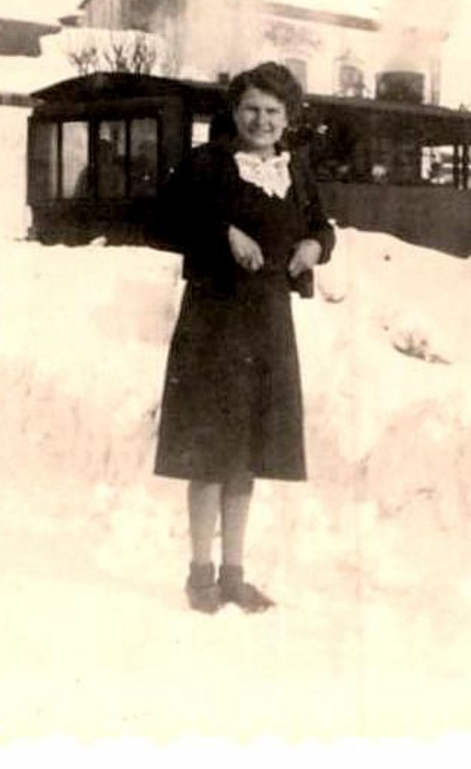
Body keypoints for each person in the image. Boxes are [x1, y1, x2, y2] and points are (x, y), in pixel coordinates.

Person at [151, 62, 335, 614]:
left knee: (248, 455)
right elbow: (159, 223)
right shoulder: (207, 164)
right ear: (235, 112)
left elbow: (321, 224)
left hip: (268, 326)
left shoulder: (294, 169)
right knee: (211, 454)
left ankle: (234, 574)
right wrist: (223, 233)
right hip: (213, 324)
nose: (262, 120)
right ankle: (200, 576)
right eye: (252, 109)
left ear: (288, 118)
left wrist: (316, 248)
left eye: (273, 112)